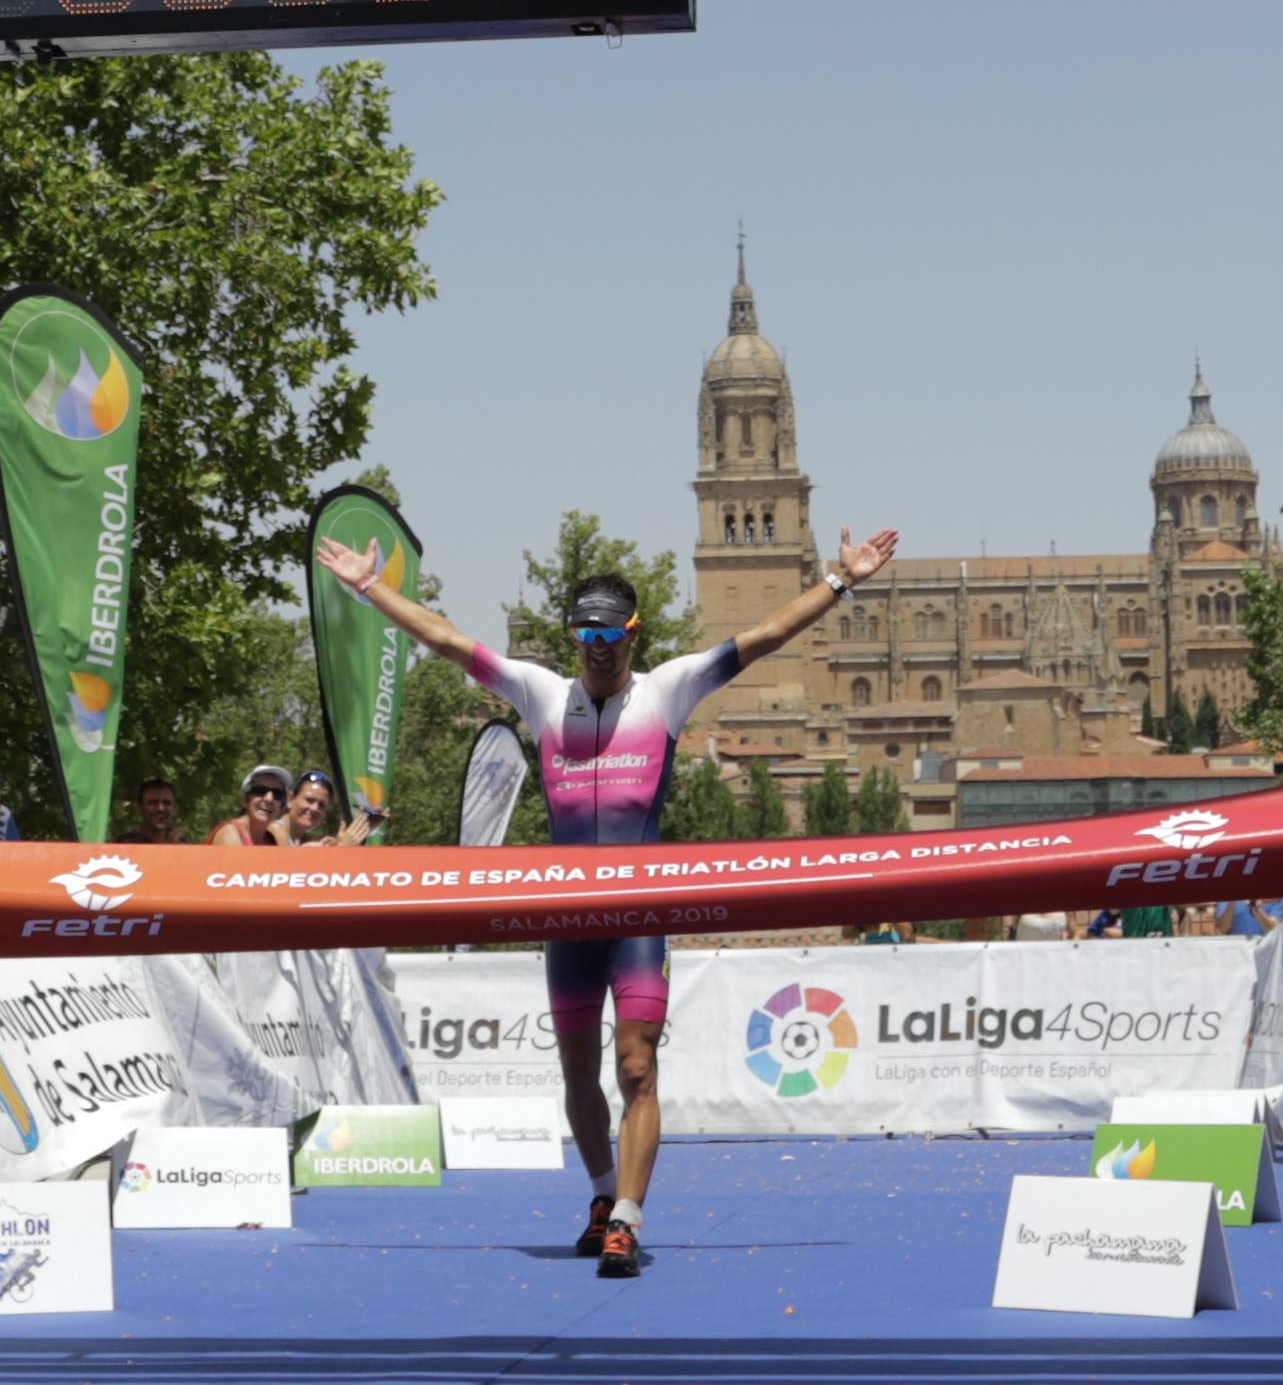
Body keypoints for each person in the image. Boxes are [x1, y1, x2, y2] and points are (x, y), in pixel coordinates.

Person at [317, 523, 899, 1280]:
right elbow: (448, 640)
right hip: (565, 916)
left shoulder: (668, 688)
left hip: (638, 916)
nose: (599, 648)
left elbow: (762, 635)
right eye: (586, 633)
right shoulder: (541, 694)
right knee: (576, 1073)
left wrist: (841, 580)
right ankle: (598, 1196)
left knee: (637, 1065)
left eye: (612, 635)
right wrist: (370, 587)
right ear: (573, 635)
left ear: (634, 633)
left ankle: (627, 1217)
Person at [276, 768, 372, 847]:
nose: (315, 808)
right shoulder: (276, 830)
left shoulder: (303, 839)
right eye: (309, 800)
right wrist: (339, 848)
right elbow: (288, 867)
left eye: (321, 805)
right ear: (291, 799)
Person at [209, 765, 292, 846]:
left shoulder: (272, 841)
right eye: (260, 791)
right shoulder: (230, 833)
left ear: (282, 805)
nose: (269, 799)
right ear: (245, 799)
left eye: (277, 794)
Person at [118, 777, 184, 844]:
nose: (160, 808)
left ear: (175, 808)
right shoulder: (125, 844)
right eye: (153, 803)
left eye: (166, 803)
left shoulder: (184, 846)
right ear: (139, 808)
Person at [1215, 896, 1283, 936]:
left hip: (1267, 953)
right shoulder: (1226, 895)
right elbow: (1222, 929)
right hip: (1239, 953)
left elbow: (1272, 928)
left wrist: (1257, 910)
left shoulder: (1276, 897)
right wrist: (1232, 903)